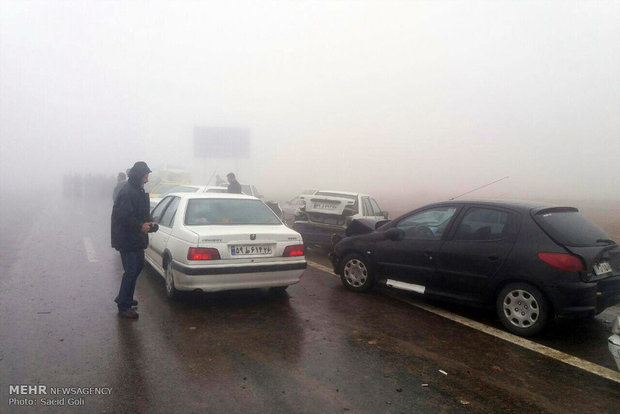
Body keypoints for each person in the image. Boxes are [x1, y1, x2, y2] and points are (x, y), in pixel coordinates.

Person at [111, 161, 157, 319]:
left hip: (135, 238)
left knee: (138, 265)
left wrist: (149, 222)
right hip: (126, 238)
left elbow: (142, 211)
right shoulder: (127, 192)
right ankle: (123, 306)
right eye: (145, 176)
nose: (147, 179)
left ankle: (126, 298)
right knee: (131, 270)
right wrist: (140, 226)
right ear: (138, 175)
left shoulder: (137, 189)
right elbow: (124, 217)